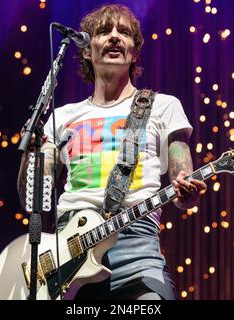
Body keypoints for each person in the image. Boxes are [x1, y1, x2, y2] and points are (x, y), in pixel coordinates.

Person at [18, 4, 207, 300]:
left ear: (134, 51)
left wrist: (187, 191)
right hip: (69, 251)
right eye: (105, 31)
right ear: (86, 50)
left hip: (137, 248)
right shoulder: (62, 116)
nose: (115, 37)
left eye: (124, 33)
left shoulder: (163, 106)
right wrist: (30, 156)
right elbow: (34, 201)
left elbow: (183, 178)